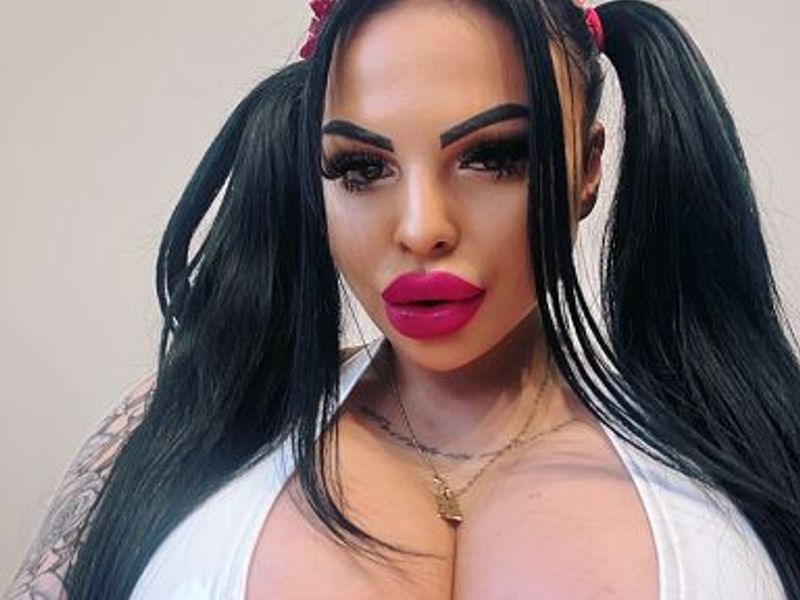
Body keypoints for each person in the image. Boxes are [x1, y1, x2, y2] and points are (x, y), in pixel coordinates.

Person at [5, 0, 799, 598]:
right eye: (361, 168)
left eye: (495, 157)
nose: (421, 229)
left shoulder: (749, 451)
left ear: (588, 166)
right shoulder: (183, 421)